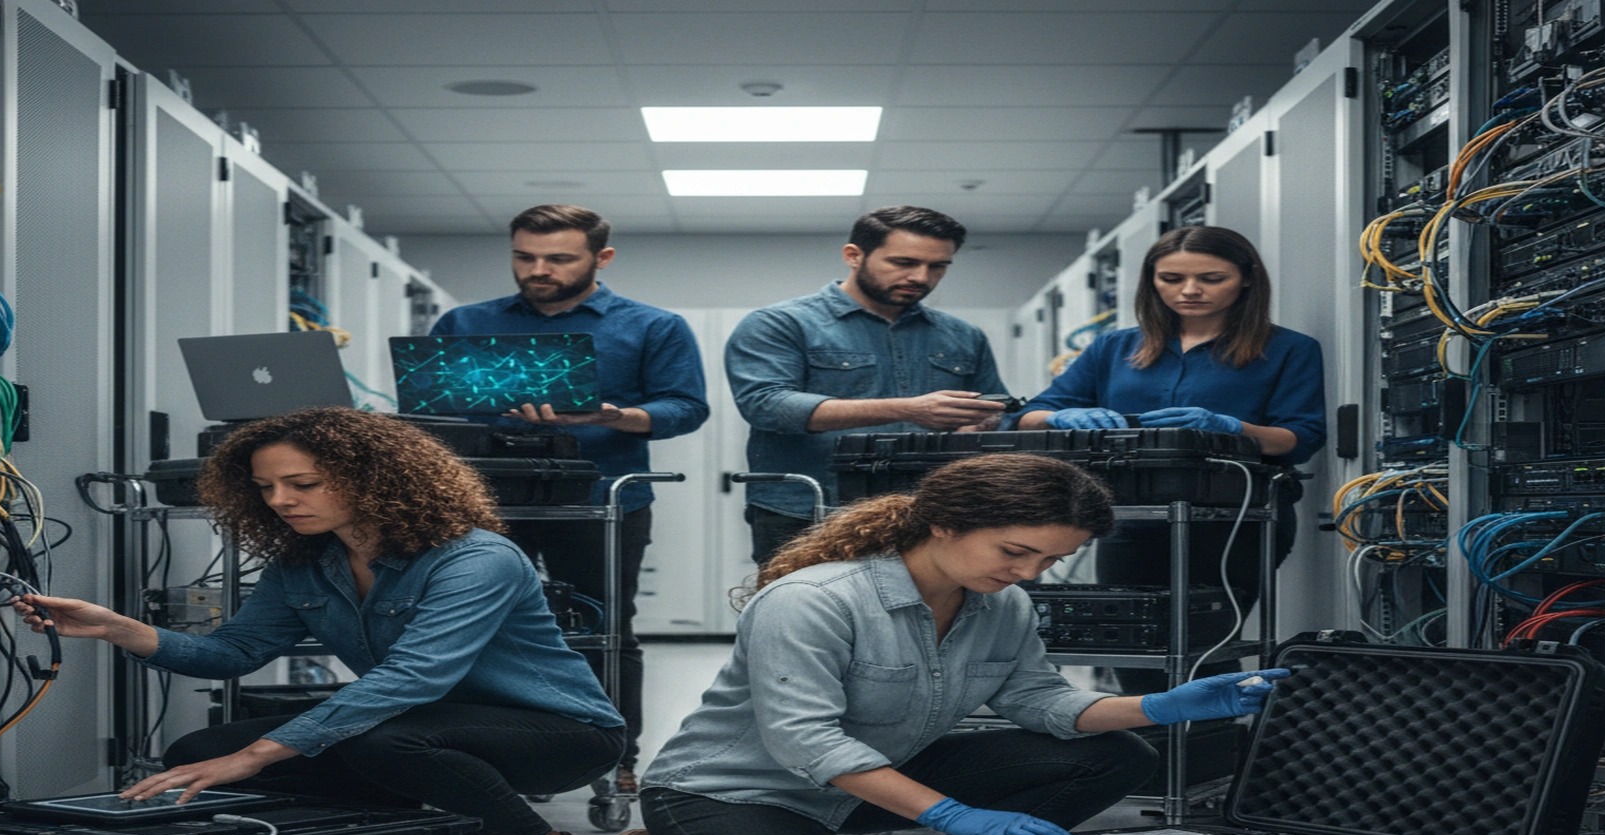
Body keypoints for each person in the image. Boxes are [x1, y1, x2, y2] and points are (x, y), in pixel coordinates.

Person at [590, 454, 1290, 835]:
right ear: (945, 524)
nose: (1028, 574)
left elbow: (1038, 701)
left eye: (1050, 560)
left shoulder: (1001, 601)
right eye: (1015, 551)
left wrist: (1160, 705)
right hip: (734, 793)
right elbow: (806, 741)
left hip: (874, 779)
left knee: (1120, 755)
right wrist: (951, 814)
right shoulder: (816, 600)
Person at [14, 408, 626, 835]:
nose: (281, 501)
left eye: (303, 485)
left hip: (561, 732)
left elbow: (414, 677)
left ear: (376, 479)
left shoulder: (475, 558)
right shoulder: (304, 563)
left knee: (371, 742)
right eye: (265, 488)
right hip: (428, 725)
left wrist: (255, 755)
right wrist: (121, 629)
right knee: (196, 755)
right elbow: (235, 652)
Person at [431, 204, 709, 795]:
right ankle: (492, 752)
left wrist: (619, 416)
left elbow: (685, 407)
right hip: (480, 501)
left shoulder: (651, 326)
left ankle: (615, 756)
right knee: (473, 628)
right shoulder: (464, 323)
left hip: (601, 499)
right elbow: (428, 408)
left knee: (605, 629)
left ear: (600, 258)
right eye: (525, 257)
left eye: (558, 258)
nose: (538, 269)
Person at [1017, 225, 1326, 695]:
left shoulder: (1288, 348)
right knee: (1134, 648)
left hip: (1236, 523)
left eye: (1210, 278)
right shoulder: (1114, 348)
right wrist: (1063, 416)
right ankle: (1151, 754)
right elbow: (1026, 417)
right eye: (1171, 278)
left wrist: (1231, 426)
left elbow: (1300, 437)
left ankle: (1202, 755)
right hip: (1129, 518)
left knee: (1203, 648)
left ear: (1246, 278)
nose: (1189, 291)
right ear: (1151, 281)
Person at [726, 205, 1021, 568]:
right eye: (903, 262)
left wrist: (981, 423)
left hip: (929, 509)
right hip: (810, 508)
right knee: (802, 617)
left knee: (926, 619)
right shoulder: (781, 324)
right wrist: (909, 409)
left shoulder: (963, 336)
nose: (921, 276)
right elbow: (767, 405)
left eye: (938, 266)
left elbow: (999, 412)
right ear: (854, 256)